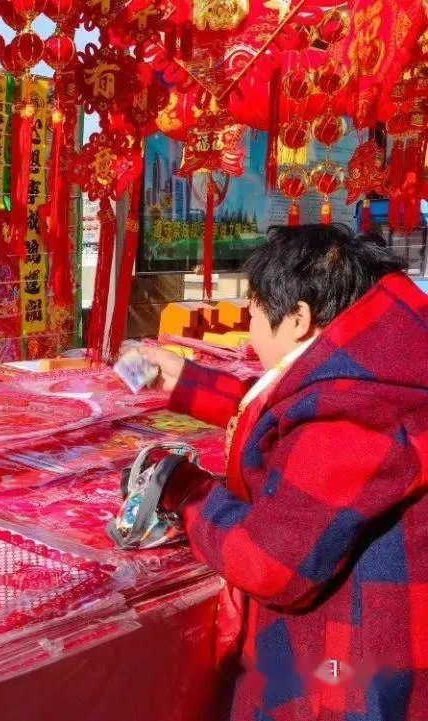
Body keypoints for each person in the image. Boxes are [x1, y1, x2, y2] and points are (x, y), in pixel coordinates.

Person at [141, 225, 427, 721]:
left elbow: (271, 562)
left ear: (298, 319)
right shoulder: (382, 364)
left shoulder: (359, 409)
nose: (250, 328)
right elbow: (292, 418)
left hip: (351, 670)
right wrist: (187, 383)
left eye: (253, 313)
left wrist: (184, 489)